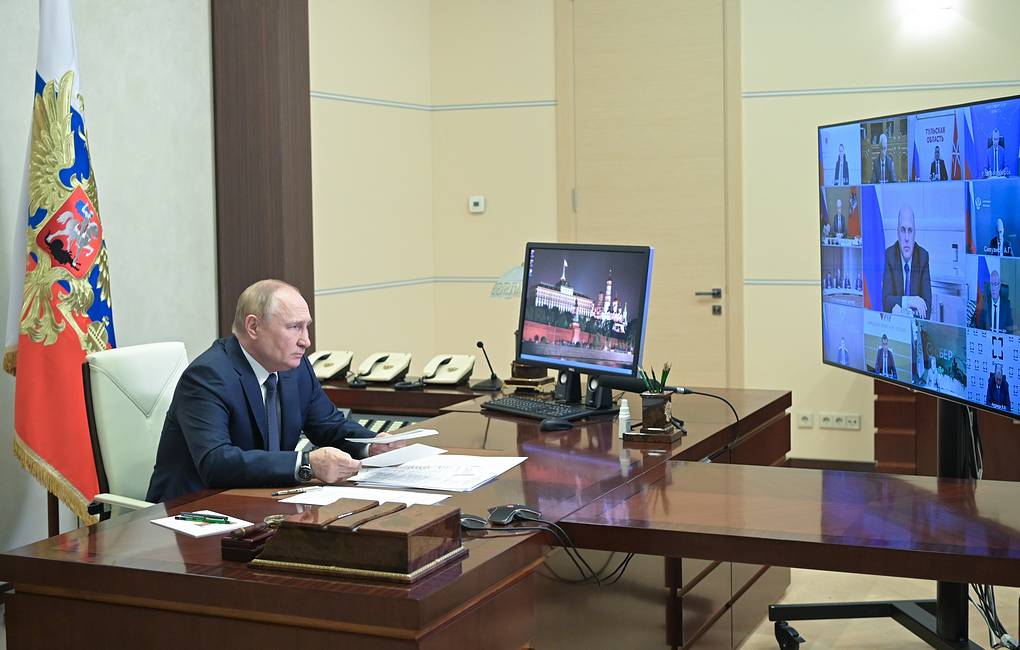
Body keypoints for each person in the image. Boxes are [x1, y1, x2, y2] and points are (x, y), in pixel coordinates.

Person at [146, 279, 389, 503]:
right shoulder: (208, 376)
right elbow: (216, 462)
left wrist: (371, 445)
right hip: (192, 513)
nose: (306, 341)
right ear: (253, 326)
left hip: (261, 501)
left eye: (307, 327)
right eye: (294, 327)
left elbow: (327, 425)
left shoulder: (295, 366)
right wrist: (306, 464)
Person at [882, 204, 932, 319]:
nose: (906, 238)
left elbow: (927, 306)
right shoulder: (889, 255)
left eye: (910, 231)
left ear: (915, 233)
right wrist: (909, 301)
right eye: (902, 230)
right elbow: (886, 300)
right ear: (897, 233)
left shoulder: (923, 257)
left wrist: (903, 311)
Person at [975, 270, 1015, 334]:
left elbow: (1010, 329)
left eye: (995, 284)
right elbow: (980, 328)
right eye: (991, 284)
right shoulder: (985, 304)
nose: (993, 288)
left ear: (999, 286)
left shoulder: (1006, 306)